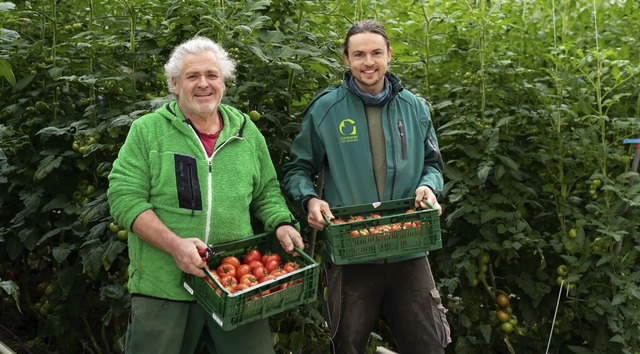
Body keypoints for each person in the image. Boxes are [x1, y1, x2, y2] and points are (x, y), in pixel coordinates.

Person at [107, 35, 304, 354]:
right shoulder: (148, 132)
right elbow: (124, 198)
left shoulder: (246, 133)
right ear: (174, 84)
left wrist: (281, 222)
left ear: (223, 83)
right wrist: (174, 245)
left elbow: (266, 191)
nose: (203, 84)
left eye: (212, 75)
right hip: (163, 287)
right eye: (192, 76)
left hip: (236, 282)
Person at [283, 19, 451, 354]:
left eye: (376, 52)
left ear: (390, 55)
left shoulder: (414, 109)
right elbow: (298, 169)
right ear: (345, 59)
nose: (368, 62)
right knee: (347, 346)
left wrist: (429, 187)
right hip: (351, 252)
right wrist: (310, 201)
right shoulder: (326, 109)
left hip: (409, 246)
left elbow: (433, 165)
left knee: (430, 345)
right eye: (359, 54)